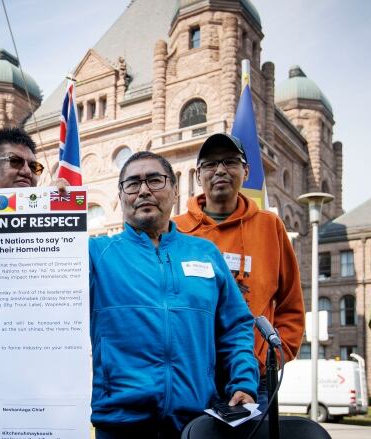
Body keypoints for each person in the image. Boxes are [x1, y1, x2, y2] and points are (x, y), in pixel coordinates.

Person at [89, 151, 258, 438]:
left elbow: (236, 326)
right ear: (121, 196)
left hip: (196, 424)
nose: (143, 190)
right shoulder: (96, 254)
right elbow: (29, 258)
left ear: (175, 189)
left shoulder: (205, 253)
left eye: (154, 180)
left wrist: (243, 381)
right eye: (132, 183)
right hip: (120, 424)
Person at [173, 133, 304, 409]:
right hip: (190, 377)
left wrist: (267, 358)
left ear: (246, 171)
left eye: (230, 161)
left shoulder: (270, 227)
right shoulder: (176, 230)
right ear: (199, 175)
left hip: (253, 378)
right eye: (210, 164)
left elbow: (291, 305)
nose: (220, 170)